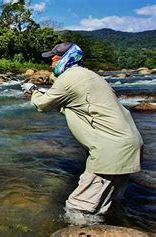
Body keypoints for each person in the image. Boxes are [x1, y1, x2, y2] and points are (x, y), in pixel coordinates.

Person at [22, 42, 143, 224]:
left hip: (111, 151)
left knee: (78, 209)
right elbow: (76, 107)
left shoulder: (68, 78)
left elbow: (42, 104)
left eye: (52, 60)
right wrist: (39, 93)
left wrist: (32, 92)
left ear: (64, 58)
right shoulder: (90, 76)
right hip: (128, 146)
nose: (50, 65)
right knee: (105, 205)